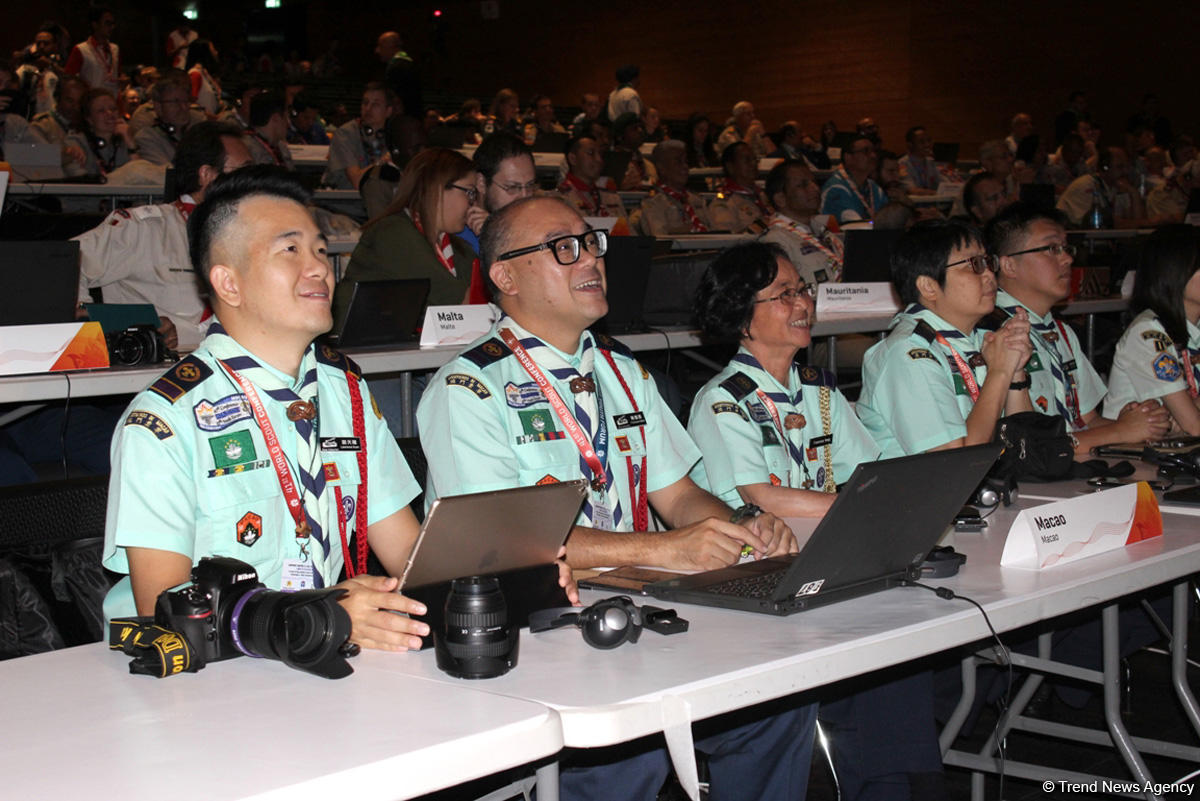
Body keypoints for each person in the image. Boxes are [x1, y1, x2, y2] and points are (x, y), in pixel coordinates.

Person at [417, 196, 811, 801]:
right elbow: (504, 546)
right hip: (542, 626)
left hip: (643, 601)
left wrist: (744, 523)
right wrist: (671, 549)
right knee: (625, 760)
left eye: (590, 242)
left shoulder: (623, 370)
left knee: (774, 709)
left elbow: (678, 494)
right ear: (505, 276)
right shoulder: (469, 390)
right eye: (562, 248)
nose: (590, 260)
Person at [99, 165, 442, 654]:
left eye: (321, 250)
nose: (320, 267)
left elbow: (410, 555)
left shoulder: (343, 391)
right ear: (229, 283)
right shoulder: (165, 421)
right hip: (204, 679)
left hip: (315, 656)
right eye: (290, 249)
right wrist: (319, 614)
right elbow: (166, 611)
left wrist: (499, 577)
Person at [689, 242, 952, 801]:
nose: (803, 303)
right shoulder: (723, 401)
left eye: (803, 290)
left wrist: (884, 502)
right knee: (882, 653)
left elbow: (870, 472)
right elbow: (761, 495)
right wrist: (865, 506)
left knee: (902, 645)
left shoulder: (819, 389)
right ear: (742, 313)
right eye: (783, 295)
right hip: (760, 578)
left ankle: (892, 787)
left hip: (830, 562)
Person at [983, 203, 1169, 454]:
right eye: (1051, 249)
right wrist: (1120, 431)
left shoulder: (1061, 332)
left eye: (1066, 248)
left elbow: (1086, 421)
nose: (1068, 258)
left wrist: (1138, 423)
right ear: (1009, 266)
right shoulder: (994, 334)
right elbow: (1030, 447)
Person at [857, 219, 1034, 457]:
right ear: (929, 287)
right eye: (973, 265)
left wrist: (1014, 373)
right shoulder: (907, 354)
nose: (989, 275)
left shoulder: (983, 338)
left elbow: (1026, 450)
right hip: (923, 492)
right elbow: (956, 464)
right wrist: (999, 372)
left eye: (988, 262)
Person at [74, 121, 251, 351]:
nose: (254, 182)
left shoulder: (248, 239)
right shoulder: (145, 229)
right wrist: (103, 325)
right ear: (208, 175)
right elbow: (64, 265)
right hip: (156, 373)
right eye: (244, 172)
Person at [336, 147, 485, 317]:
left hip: (411, 341)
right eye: (470, 192)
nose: (473, 203)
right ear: (437, 188)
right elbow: (463, 303)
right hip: (360, 340)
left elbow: (487, 302)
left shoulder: (460, 248)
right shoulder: (392, 234)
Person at [1104, 225, 1200, 433]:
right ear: (1174, 272)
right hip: (1134, 456)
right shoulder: (1149, 333)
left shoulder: (1195, 327)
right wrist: (1187, 414)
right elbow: (1195, 426)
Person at [759, 160, 843, 285]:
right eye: (803, 185)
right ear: (781, 199)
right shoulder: (775, 241)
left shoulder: (823, 232)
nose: (814, 188)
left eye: (814, 182)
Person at [465, 132, 538, 248]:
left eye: (530, 186)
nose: (525, 197)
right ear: (481, 183)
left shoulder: (537, 223)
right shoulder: (459, 235)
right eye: (512, 188)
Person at [632, 139, 714, 236]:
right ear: (661, 168)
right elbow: (660, 240)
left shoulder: (696, 200)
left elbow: (714, 231)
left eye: (686, 161)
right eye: (678, 161)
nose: (685, 166)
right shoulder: (653, 204)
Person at [1056, 147, 1150, 228]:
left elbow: (1135, 222)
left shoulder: (1119, 186)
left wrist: (1134, 193)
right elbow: (1105, 223)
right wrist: (1151, 222)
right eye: (1120, 167)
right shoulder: (1086, 185)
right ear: (1105, 168)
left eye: (1127, 166)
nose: (1125, 171)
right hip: (1077, 240)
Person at [322, 82, 393, 190]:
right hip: (345, 203)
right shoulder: (345, 133)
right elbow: (357, 181)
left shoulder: (394, 134)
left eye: (375, 104)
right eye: (365, 103)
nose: (368, 108)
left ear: (388, 111)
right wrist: (383, 161)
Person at [63, 88, 135, 178]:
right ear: (89, 119)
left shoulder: (125, 139)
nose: (110, 114)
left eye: (113, 109)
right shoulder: (76, 142)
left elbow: (142, 177)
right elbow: (81, 180)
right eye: (101, 111)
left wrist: (130, 144)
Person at [819, 135, 888, 224]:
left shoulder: (874, 188)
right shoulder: (835, 189)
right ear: (848, 157)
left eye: (874, 151)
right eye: (866, 151)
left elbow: (889, 220)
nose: (873, 155)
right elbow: (856, 226)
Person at [558, 134, 627, 219]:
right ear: (573, 159)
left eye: (600, 154)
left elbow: (627, 231)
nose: (599, 160)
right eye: (591, 153)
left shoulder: (612, 198)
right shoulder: (560, 199)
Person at [710, 141, 772, 233]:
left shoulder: (763, 195)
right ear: (730, 167)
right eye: (747, 160)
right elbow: (727, 240)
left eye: (755, 159)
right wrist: (762, 225)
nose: (753, 164)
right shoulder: (724, 204)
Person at [133, 75, 194, 166]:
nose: (184, 107)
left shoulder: (194, 135)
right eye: (176, 102)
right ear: (158, 107)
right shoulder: (146, 138)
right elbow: (166, 175)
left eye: (186, 101)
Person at [64, 6, 120, 94]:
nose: (111, 27)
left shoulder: (115, 49)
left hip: (112, 99)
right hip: (91, 102)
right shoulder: (81, 49)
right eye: (107, 23)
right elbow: (68, 77)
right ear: (95, 25)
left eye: (113, 24)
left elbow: (116, 74)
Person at [29, 74, 85, 149]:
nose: (76, 107)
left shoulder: (85, 127)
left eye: (80, 102)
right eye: (70, 101)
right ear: (57, 97)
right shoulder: (42, 126)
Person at [243, 90, 295, 169]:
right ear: (276, 118)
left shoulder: (281, 148)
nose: (288, 123)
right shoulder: (246, 149)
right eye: (286, 117)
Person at [376, 30, 421, 120]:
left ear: (390, 46)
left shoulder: (396, 67)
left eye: (380, 46)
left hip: (401, 121)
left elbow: (395, 98)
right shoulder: (410, 63)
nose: (377, 50)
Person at [611, 111, 656, 190]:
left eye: (641, 127)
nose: (640, 131)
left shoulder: (648, 165)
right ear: (620, 136)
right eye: (634, 128)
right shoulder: (610, 162)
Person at [185, 38, 222, 116]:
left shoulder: (203, 72)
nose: (216, 52)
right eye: (213, 50)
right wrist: (213, 118)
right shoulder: (195, 74)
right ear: (205, 54)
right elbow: (191, 105)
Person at [899, 126, 940, 195]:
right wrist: (940, 193)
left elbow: (944, 184)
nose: (927, 145)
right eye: (921, 142)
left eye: (929, 140)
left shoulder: (931, 162)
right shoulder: (902, 164)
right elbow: (912, 190)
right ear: (910, 145)